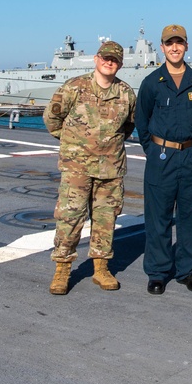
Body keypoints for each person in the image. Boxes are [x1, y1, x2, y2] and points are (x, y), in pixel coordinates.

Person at [44, 40, 136, 295]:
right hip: (77, 169)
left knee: (106, 220)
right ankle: (62, 269)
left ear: (120, 64)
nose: (109, 62)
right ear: (96, 59)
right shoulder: (74, 87)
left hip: (111, 168)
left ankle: (101, 268)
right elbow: (52, 119)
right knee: (70, 218)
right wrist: (74, 145)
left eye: (115, 60)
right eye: (105, 58)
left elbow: (128, 127)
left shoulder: (126, 93)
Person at [135, 24, 192, 295]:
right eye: (170, 43)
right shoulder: (151, 83)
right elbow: (141, 121)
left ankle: (188, 271)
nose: (175, 47)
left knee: (191, 217)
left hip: (190, 157)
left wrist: (189, 146)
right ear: (163, 47)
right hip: (161, 157)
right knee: (158, 218)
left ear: (186, 46)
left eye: (179, 42)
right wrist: (153, 149)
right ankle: (157, 272)